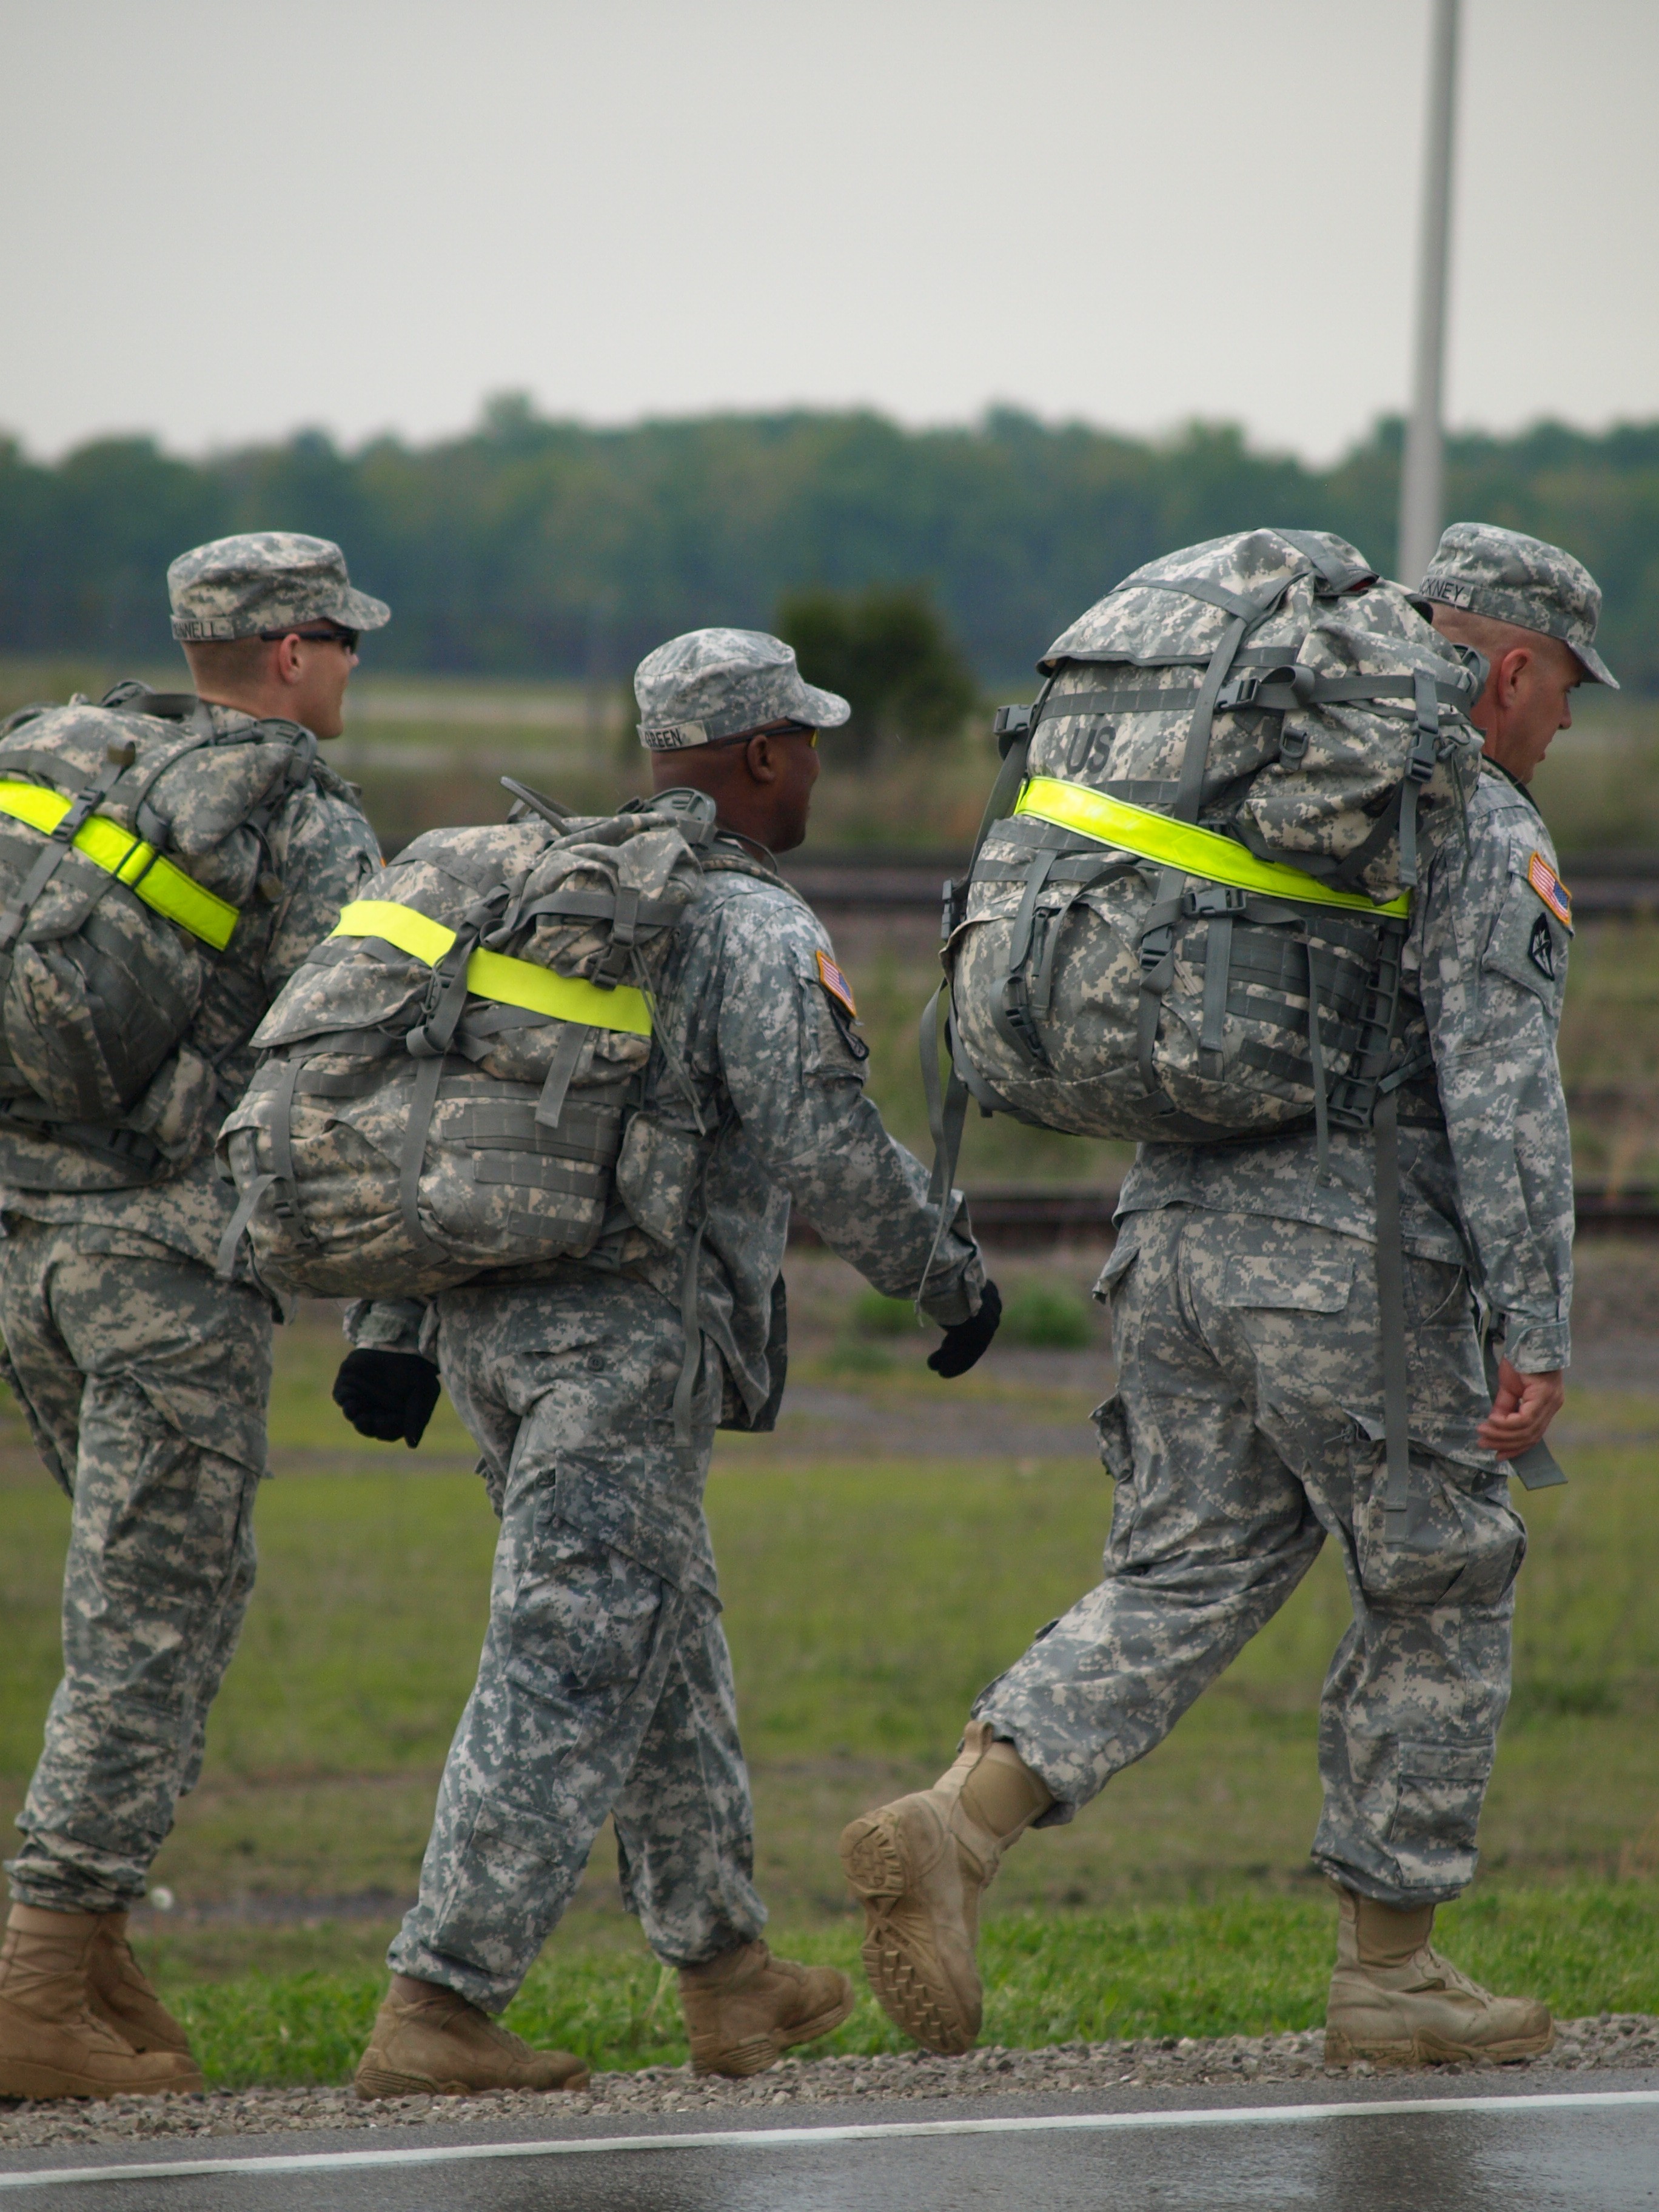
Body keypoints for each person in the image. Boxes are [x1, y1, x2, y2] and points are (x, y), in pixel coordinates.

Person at [839, 525, 1604, 2068]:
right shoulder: (1462, 802)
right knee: (1443, 1574)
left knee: (1183, 1568)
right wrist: (1537, 1324)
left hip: (1171, 1230)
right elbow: (1507, 1088)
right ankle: (1393, 1973)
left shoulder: (1254, 765)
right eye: (1568, 689)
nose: (1568, 723)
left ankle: (959, 1824)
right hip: (1352, 1263)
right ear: (1510, 666)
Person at [338, 628, 999, 2097]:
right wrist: (948, 1279)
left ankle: (727, 1976)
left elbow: (436, 1107)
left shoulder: (537, 893)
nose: (817, 762)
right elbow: (829, 1144)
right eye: (807, 739)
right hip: (623, 1351)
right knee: (572, 1656)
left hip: (485, 1328)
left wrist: (387, 1328)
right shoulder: (744, 928)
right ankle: (439, 2002)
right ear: (763, 753)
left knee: (664, 1639)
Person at [0, 534, 386, 2100]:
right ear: (287, 655)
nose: (354, 663)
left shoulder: (74, 753)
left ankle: (87, 1959)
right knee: (146, 1634)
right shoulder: (299, 813)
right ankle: (36, 1979)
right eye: (340, 641)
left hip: (24, 1258)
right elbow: (344, 1061)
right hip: (168, 1279)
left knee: (145, 1612)